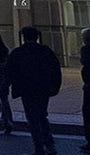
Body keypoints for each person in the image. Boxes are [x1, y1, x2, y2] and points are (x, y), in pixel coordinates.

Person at [6, 26, 62, 155]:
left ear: (23, 37)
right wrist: (55, 86)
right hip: (43, 89)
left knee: (32, 118)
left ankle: (39, 147)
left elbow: (9, 71)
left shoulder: (18, 52)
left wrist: (7, 86)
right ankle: (49, 144)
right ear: (37, 37)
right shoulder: (45, 51)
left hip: (27, 89)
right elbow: (55, 69)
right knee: (42, 115)